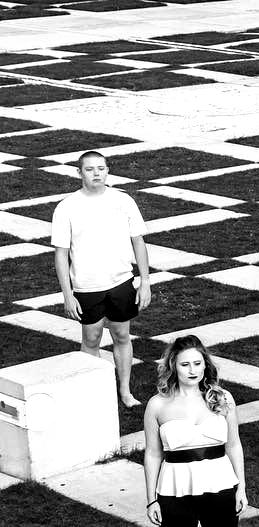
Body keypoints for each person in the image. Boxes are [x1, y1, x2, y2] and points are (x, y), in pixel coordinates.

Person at [142, 336, 252, 527]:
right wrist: (151, 498)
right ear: (172, 367)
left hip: (220, 485)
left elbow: (233, 445)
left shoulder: (223, 398)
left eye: (197, 363)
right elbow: (152, 453)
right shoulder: (158, 405)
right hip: (175, 490)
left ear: (206, 364)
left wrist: (241, 486)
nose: (192, 370)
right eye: (185, 364)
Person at [51, 150, 151, 408]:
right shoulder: (67, 207)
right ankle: (93, 393)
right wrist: (68, 293)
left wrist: (145, 282)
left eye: (101, 168)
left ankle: (125, 391)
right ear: (79, 172)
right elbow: (61, 255)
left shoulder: (123, 201)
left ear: (107, 171)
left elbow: (138, 242)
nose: (96, 173)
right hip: (86, 286)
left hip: (121, 283)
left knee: (121, 335)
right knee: (92, 339)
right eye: (89, 169)